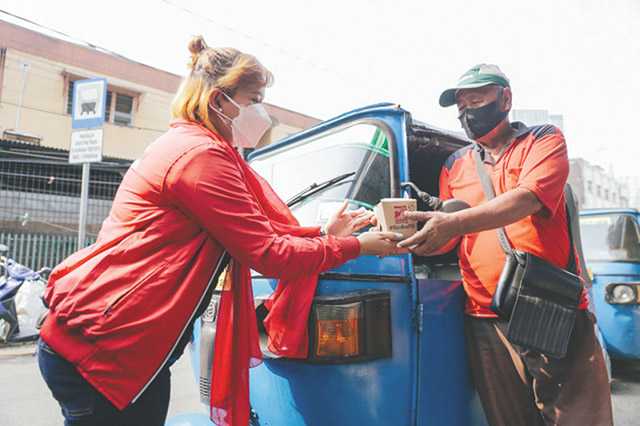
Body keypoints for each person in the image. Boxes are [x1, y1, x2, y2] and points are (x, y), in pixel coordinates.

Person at [37, 36, 401, 426]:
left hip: (113, 341)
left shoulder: (190, 145)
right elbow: (268, 253)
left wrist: (324, 234)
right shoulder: (201, 157)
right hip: (104, 349)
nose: (264, 113)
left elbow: (254, 229)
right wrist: (354, 246)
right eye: (254, 100)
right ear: (218, 101)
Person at [399, 64, 613, 426]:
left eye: (476, 99)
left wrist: (451, 221)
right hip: (485, 317)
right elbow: (450, 237)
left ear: (506, 99)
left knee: (578, 419)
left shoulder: (543, 141)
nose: (467, 111)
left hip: (550, 307)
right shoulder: (454, 164)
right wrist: (414, 239)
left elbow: (527, 199)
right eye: (460, 105)